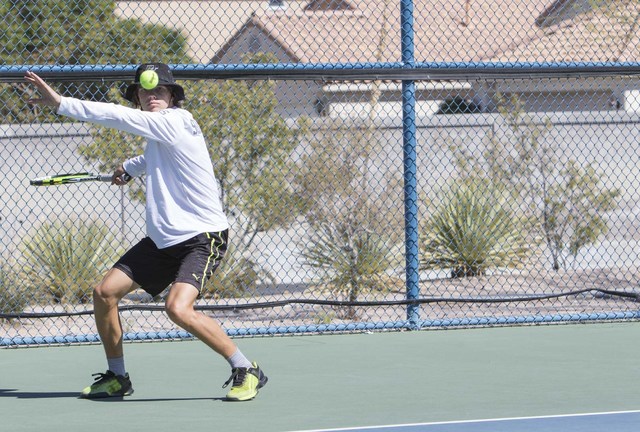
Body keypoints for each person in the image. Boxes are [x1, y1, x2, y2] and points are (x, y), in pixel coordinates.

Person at [24, 63, 267, 401]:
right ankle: (117, 377)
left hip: (202, 236)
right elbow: (155, 156)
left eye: (160, 91)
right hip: (163, 240)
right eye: (145, 92)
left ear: (171, 96)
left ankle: (245, 368)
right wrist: (128, 168)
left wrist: (62, 103)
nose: (152, 96)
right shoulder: (162, 134)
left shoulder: (176, 121)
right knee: (105, 292)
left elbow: (117, 117)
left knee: (178, 309)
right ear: (138, 96)